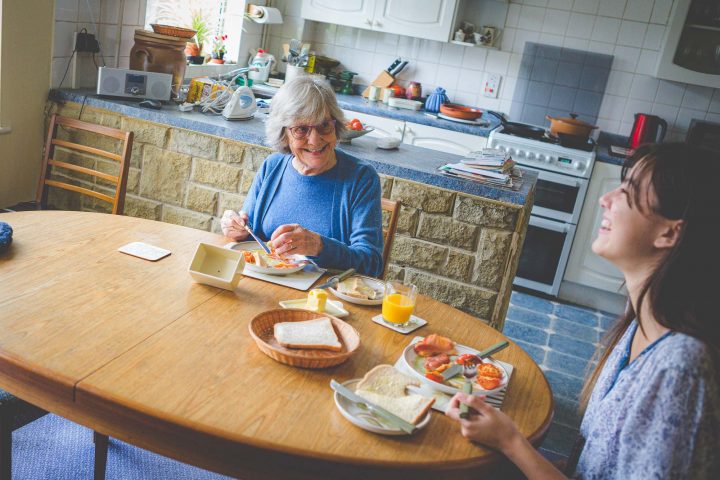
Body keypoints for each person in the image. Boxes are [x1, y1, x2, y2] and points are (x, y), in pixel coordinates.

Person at [446, 143, 720, 479]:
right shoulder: (640, 324)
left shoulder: (682, 368)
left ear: (669, 232)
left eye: (628, 192)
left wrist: (511, 442)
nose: (606, 199)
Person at [220, 76, 383, 277]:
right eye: (301, 129)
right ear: (284, 134)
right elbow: (250, 236)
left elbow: (372, 264)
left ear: (336, 126)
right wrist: (237, 229)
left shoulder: (361, 178)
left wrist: (320, 246)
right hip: (264, 284)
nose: (314, 140)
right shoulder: (272, 166)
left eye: (324, 125)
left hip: (323, 292)